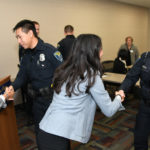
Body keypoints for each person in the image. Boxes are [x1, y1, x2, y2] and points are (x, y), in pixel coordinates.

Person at [37, 34, 125, 150]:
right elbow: (108, 110)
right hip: (57, 136)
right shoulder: (91, 75)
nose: (102, 53)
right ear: (92, 52)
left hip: (47, 130)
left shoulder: (66, 69)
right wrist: (119, 97)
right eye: (100, 49)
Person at [9, 19, 63, 144]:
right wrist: (12, 88)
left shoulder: (50, 51)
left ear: (30, 33)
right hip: (37, 103)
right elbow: (21, 76)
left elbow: (64, 75)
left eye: (20, 37)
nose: (19, 41)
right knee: (41, 134)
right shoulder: (26, 55)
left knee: (57, 136)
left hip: (53, 102)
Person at [118, 51, 150, 150]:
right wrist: (122, 89)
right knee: (140, 138)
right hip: (146, 105)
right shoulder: (145, 57)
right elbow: (131, 76)